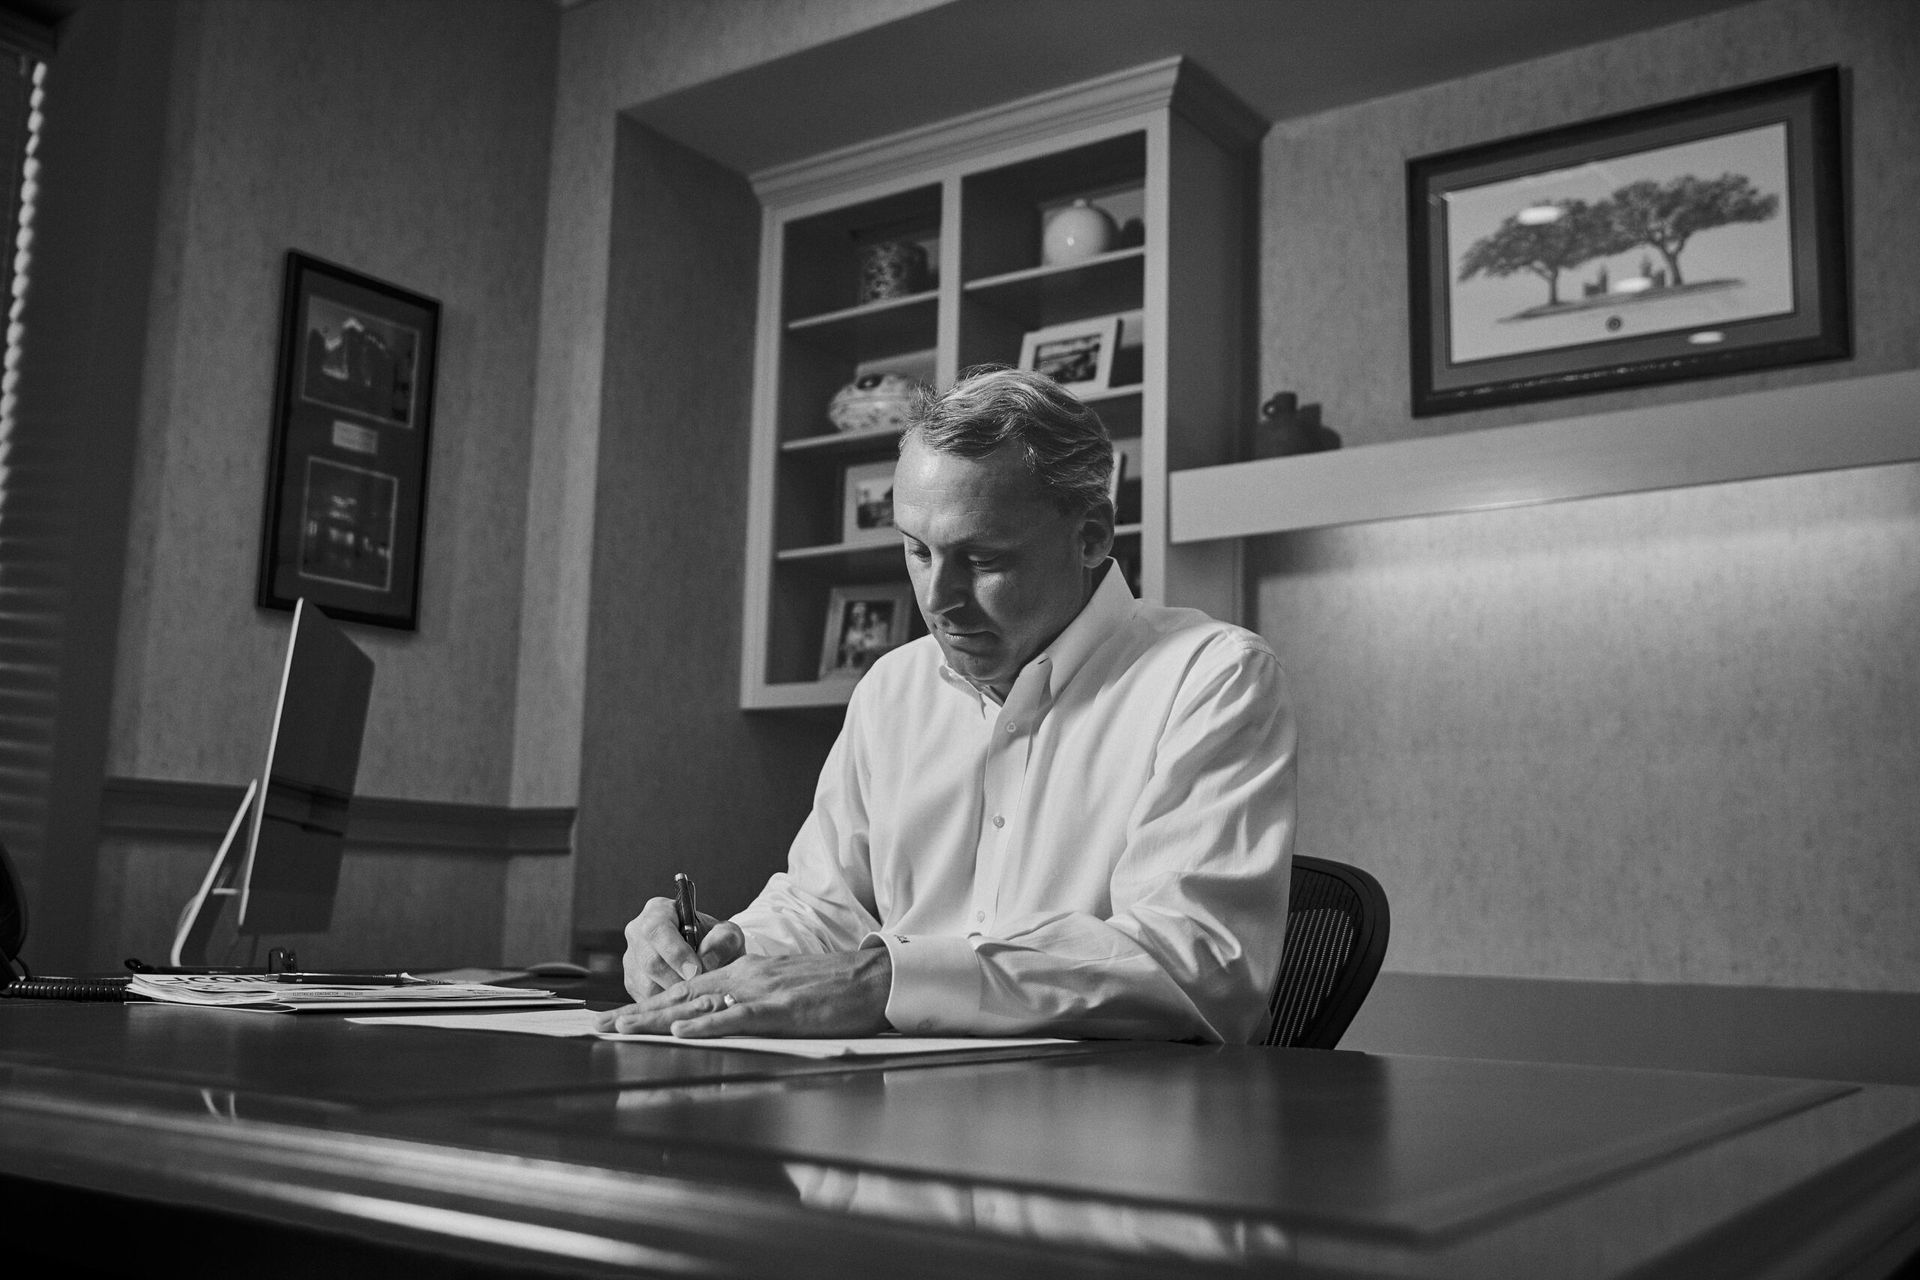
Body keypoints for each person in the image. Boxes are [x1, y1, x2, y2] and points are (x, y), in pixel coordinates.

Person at [598, 366, 1295, 1043]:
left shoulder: (1211, 679)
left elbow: (1197, 965)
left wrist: (883, 983)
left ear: (1092, 535)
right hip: (887, 1113)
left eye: (984, 560)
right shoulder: (892, 690)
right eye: (917, 552)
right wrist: (723, 952)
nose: (938, 600)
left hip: (1112, 1131)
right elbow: (825, 907)